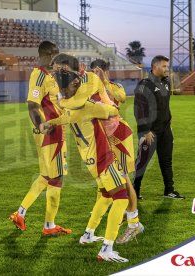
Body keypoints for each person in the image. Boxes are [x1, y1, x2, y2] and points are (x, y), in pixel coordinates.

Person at [43, 53, 129, 262]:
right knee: (121, 198)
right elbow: (110, 110)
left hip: (89, 159)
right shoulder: (86, 106)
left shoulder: (68, 102)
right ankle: (107, 248)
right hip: (103, 157)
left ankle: (88, 235)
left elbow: (66, 117)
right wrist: (109, 104)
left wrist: (51, 123)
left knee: (106, 195)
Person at [8, 41, 71, 236]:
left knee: (46, 175)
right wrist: (42, 126)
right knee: (56, 178)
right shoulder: (39, 75)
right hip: (51, 133)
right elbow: (32, 105)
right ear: (49, 55)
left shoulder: (49, 75)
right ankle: (49, 226)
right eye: (57, 56)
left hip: (53, 131)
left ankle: (20, 213)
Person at [88, 58, 143, 244]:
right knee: (104, 177)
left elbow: (121, 98)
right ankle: (109, 214)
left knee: (123, 178)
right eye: (93, 71)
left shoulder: (113, 86)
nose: (95, 74)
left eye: (98, 71)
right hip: (103, 137)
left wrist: (103, 82)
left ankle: (134, 222)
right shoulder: (88, 88)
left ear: (105, 71)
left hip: (118, 136)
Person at [133, 55, 185, 200]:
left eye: (167, 66)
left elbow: (164, 106)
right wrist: (145, 131)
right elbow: (139, 110)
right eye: (163, 66)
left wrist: (169, 122)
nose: (166, 69)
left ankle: (169, 190)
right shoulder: (145, 85)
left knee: (166, 160)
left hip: (165, 130)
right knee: (142, 162)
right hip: (150, 132)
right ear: (155, 67)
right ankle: (134, 192)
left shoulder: (166, 82)